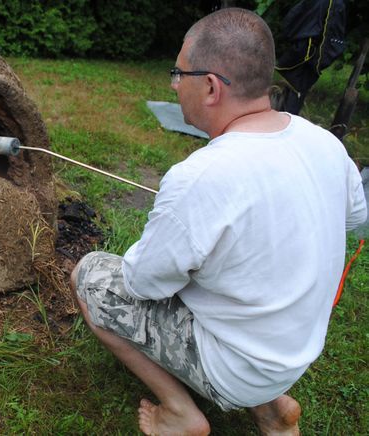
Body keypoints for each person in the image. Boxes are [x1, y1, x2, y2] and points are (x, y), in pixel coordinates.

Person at [71, 7, 366, 435]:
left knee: (90, 275)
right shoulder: (322, 141)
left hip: (234, 369)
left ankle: (180, 412)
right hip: (296, 354)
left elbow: (143, 284)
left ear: (210, 86)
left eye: (179, 74)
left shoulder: (200, 178)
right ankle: (271, 408)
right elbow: (355, 216)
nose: (174, 85)